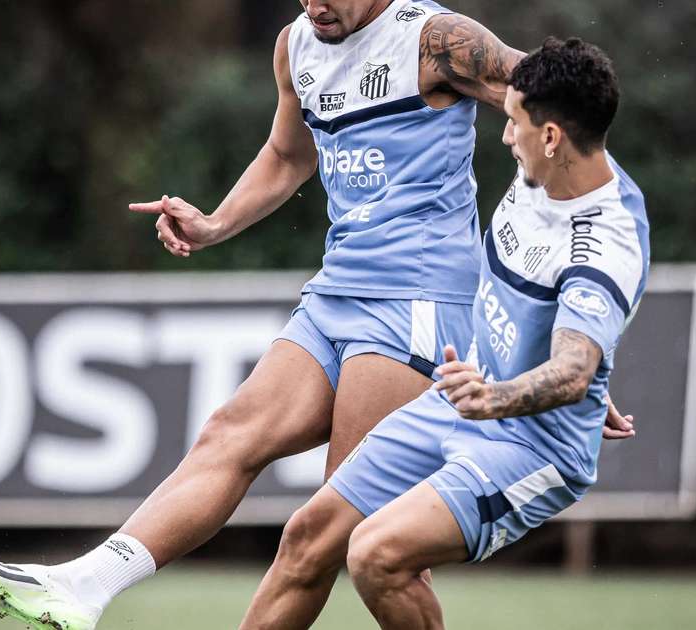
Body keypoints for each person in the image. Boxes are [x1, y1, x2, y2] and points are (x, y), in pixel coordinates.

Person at [0, 1, 634, 627]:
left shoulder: (435, 42)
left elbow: (562, 122)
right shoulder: (295, 46)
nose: (314, 3)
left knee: (335, 536)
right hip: (336, 291)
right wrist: (214, 224)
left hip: (420, 303)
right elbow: (287, 154)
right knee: (230, 435)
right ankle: (84, 588)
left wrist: (563, 347)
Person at [243, 36, 647, 630]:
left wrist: (545, 383)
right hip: (462, 400)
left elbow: (575, 369)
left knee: (376, 555)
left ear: (553, 136)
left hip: (532, 449)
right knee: (308, 534)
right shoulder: (556, 164)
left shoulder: (604, 242)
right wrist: (564, 364)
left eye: (514, 122)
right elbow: (571, 354)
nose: (506, 135)